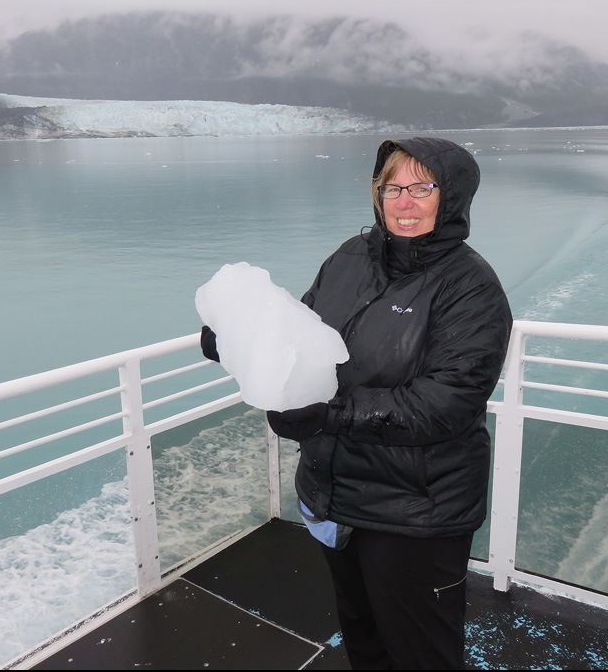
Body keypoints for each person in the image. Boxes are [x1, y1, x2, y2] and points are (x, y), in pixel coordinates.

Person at [201, 137, 513, 669]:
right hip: (335, 498)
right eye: (392, 187)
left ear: (452, 197)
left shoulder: (471, 288)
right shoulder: (351, 256)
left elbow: (446, 403)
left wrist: (329, 412)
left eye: (421, 187)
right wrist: (239, 341)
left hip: (415, 511)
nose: (404, 202)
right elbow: (302, 330)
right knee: (363, 637)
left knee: (421, 652)